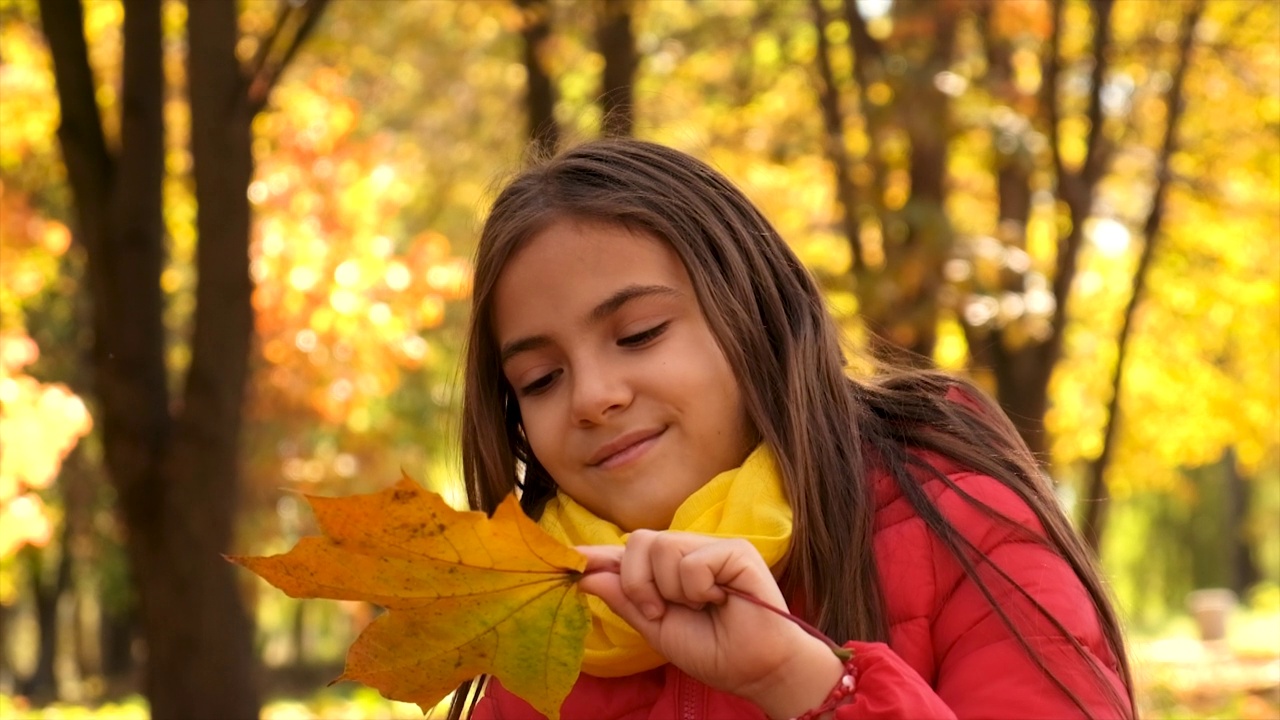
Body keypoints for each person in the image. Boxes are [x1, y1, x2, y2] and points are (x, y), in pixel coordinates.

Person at [453, 138, 1135, 719]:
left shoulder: (957, 525)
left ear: (754, 317)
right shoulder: (538, 640)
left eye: (639, 334)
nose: (592, 397)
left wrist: (802, 683)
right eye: (541, 379)